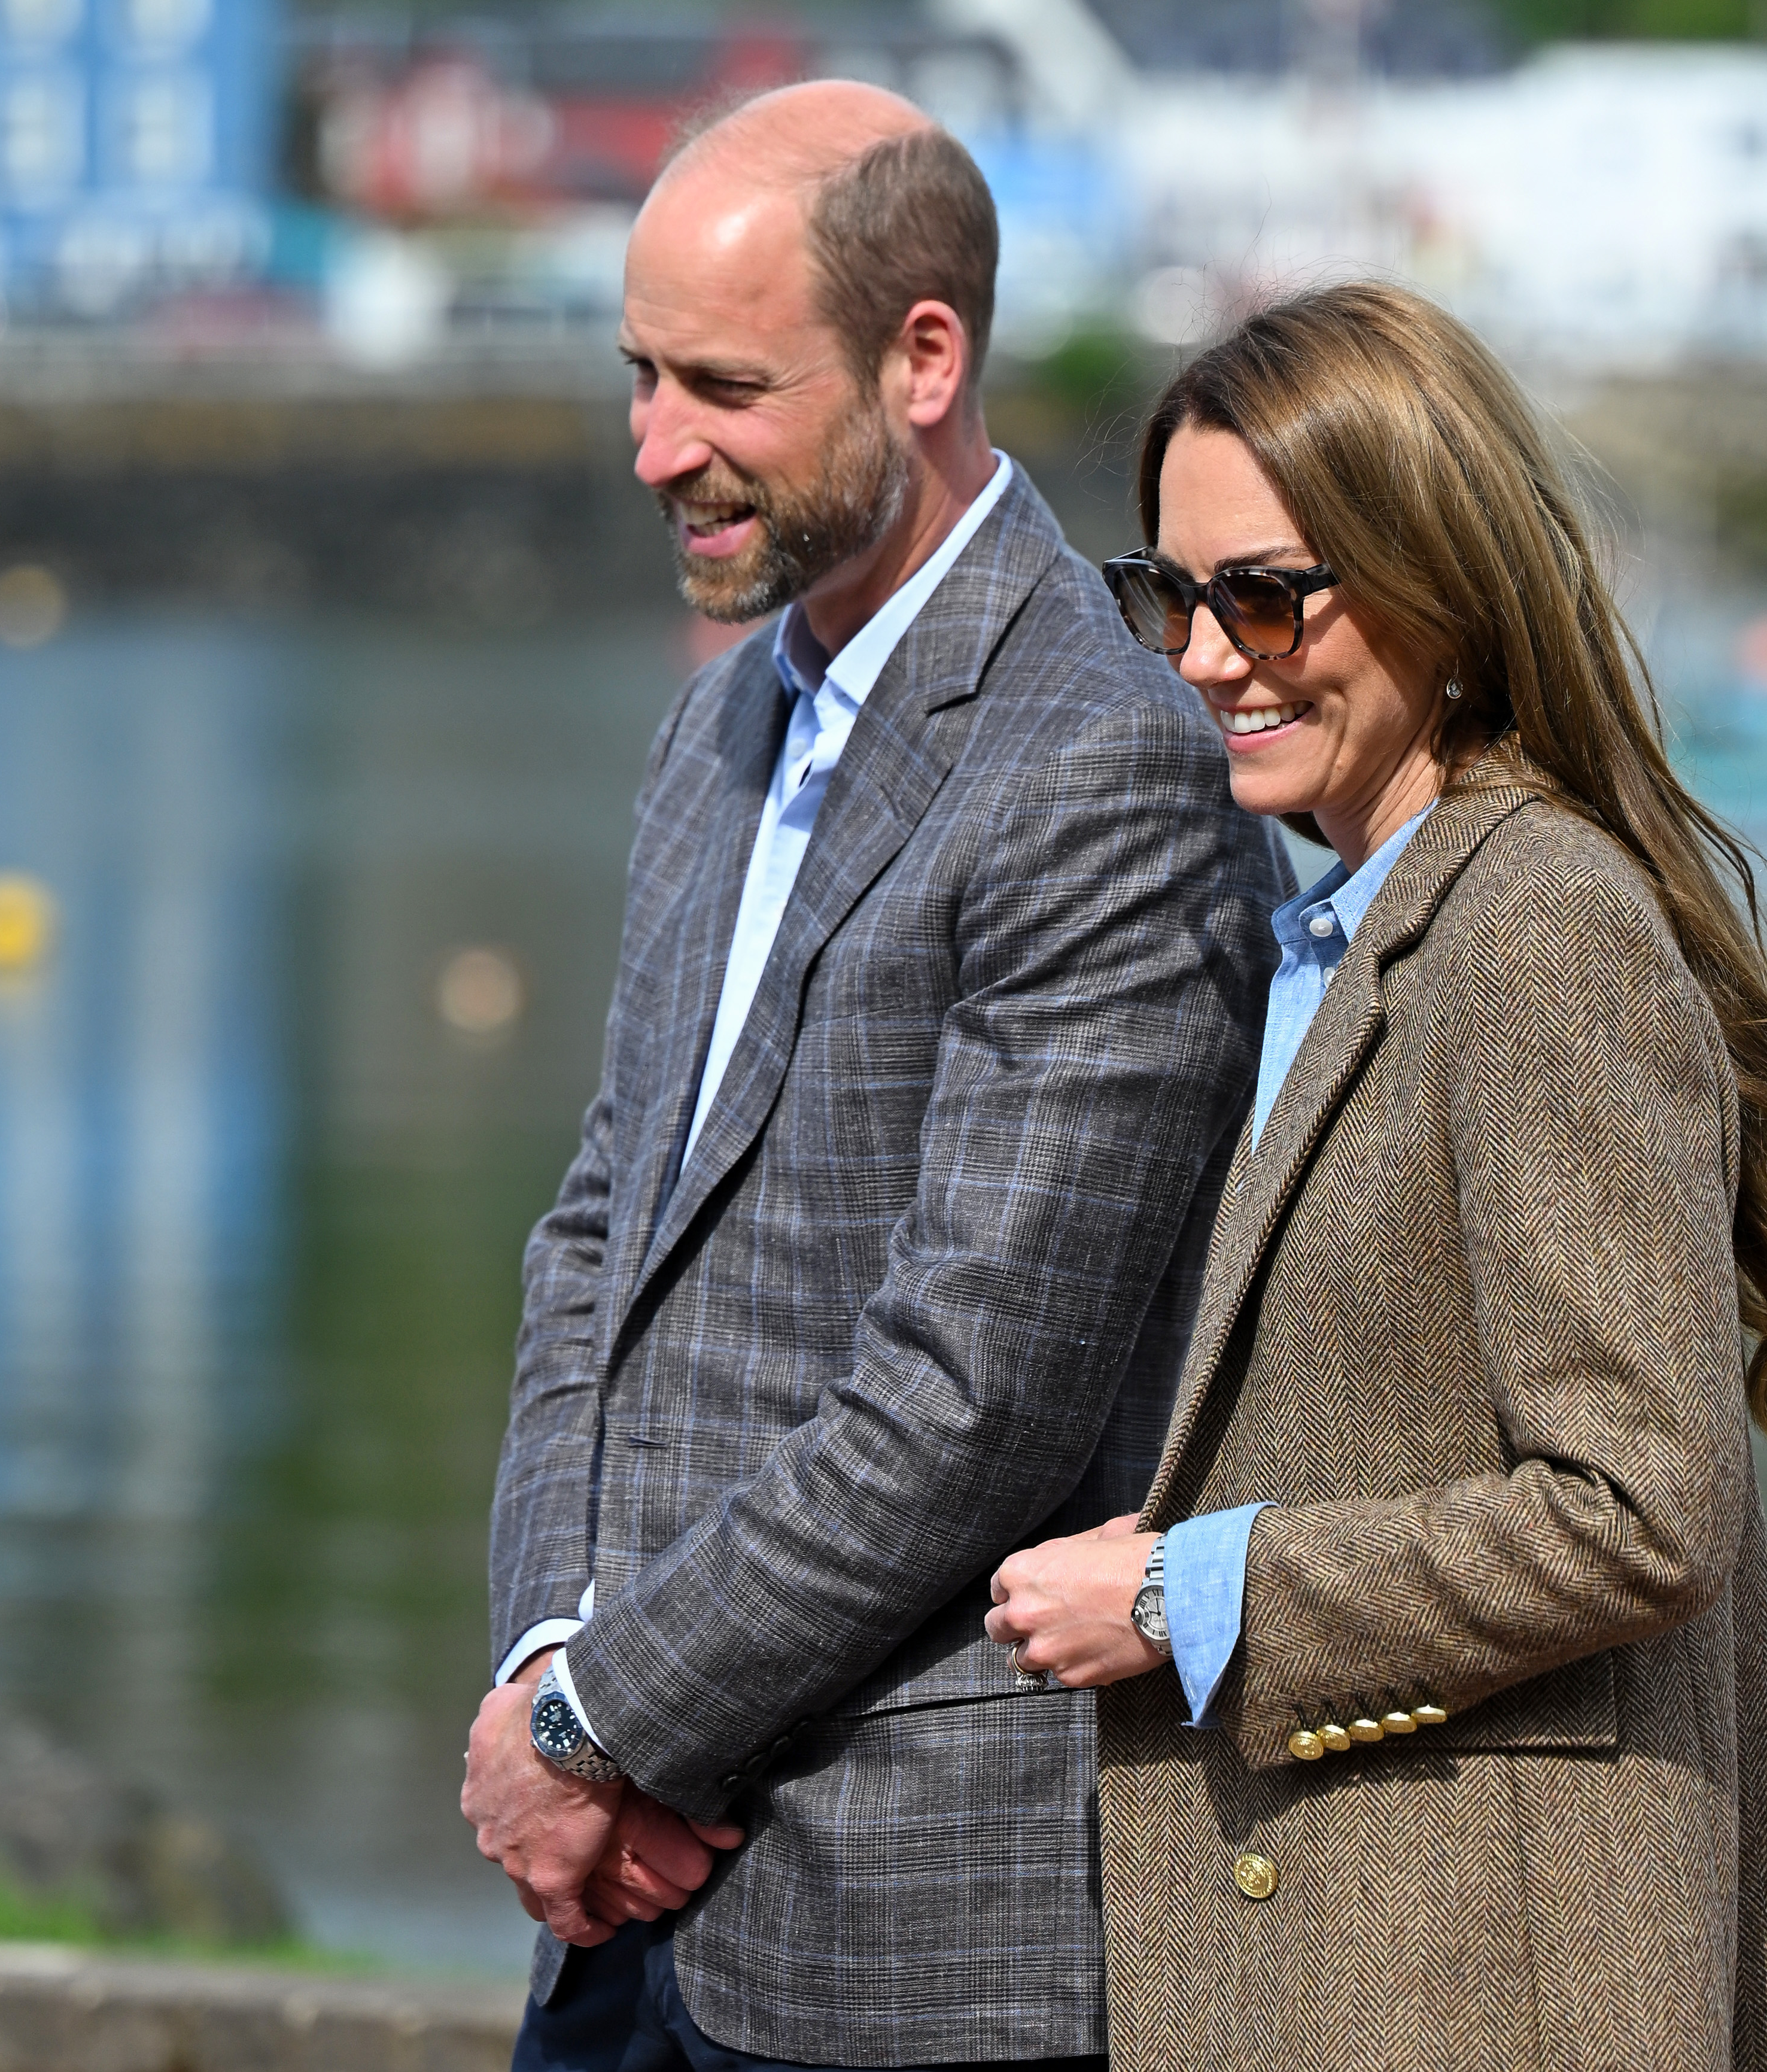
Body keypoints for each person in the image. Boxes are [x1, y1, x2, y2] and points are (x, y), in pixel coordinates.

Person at [460, 81, 1287, 2072]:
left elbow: (973, 1393)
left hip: (910, 1949)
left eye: (724, 386)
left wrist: (601, 1725)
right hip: (620, 1906)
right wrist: (541, 1671)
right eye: (638, 376)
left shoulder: (1104, 761)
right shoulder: (721, 725)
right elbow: (598, 1241)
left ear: (926, 357)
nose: (659, 447)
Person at [986, 281, 1767, 2071]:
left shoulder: (1535, 925)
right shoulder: (1335, 921)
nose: (1205, 657)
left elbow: (1639, 1507)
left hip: (1484, 1990)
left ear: (1439, 582)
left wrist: (1186, 1597)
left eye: (1265, 593)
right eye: (1173, 592)